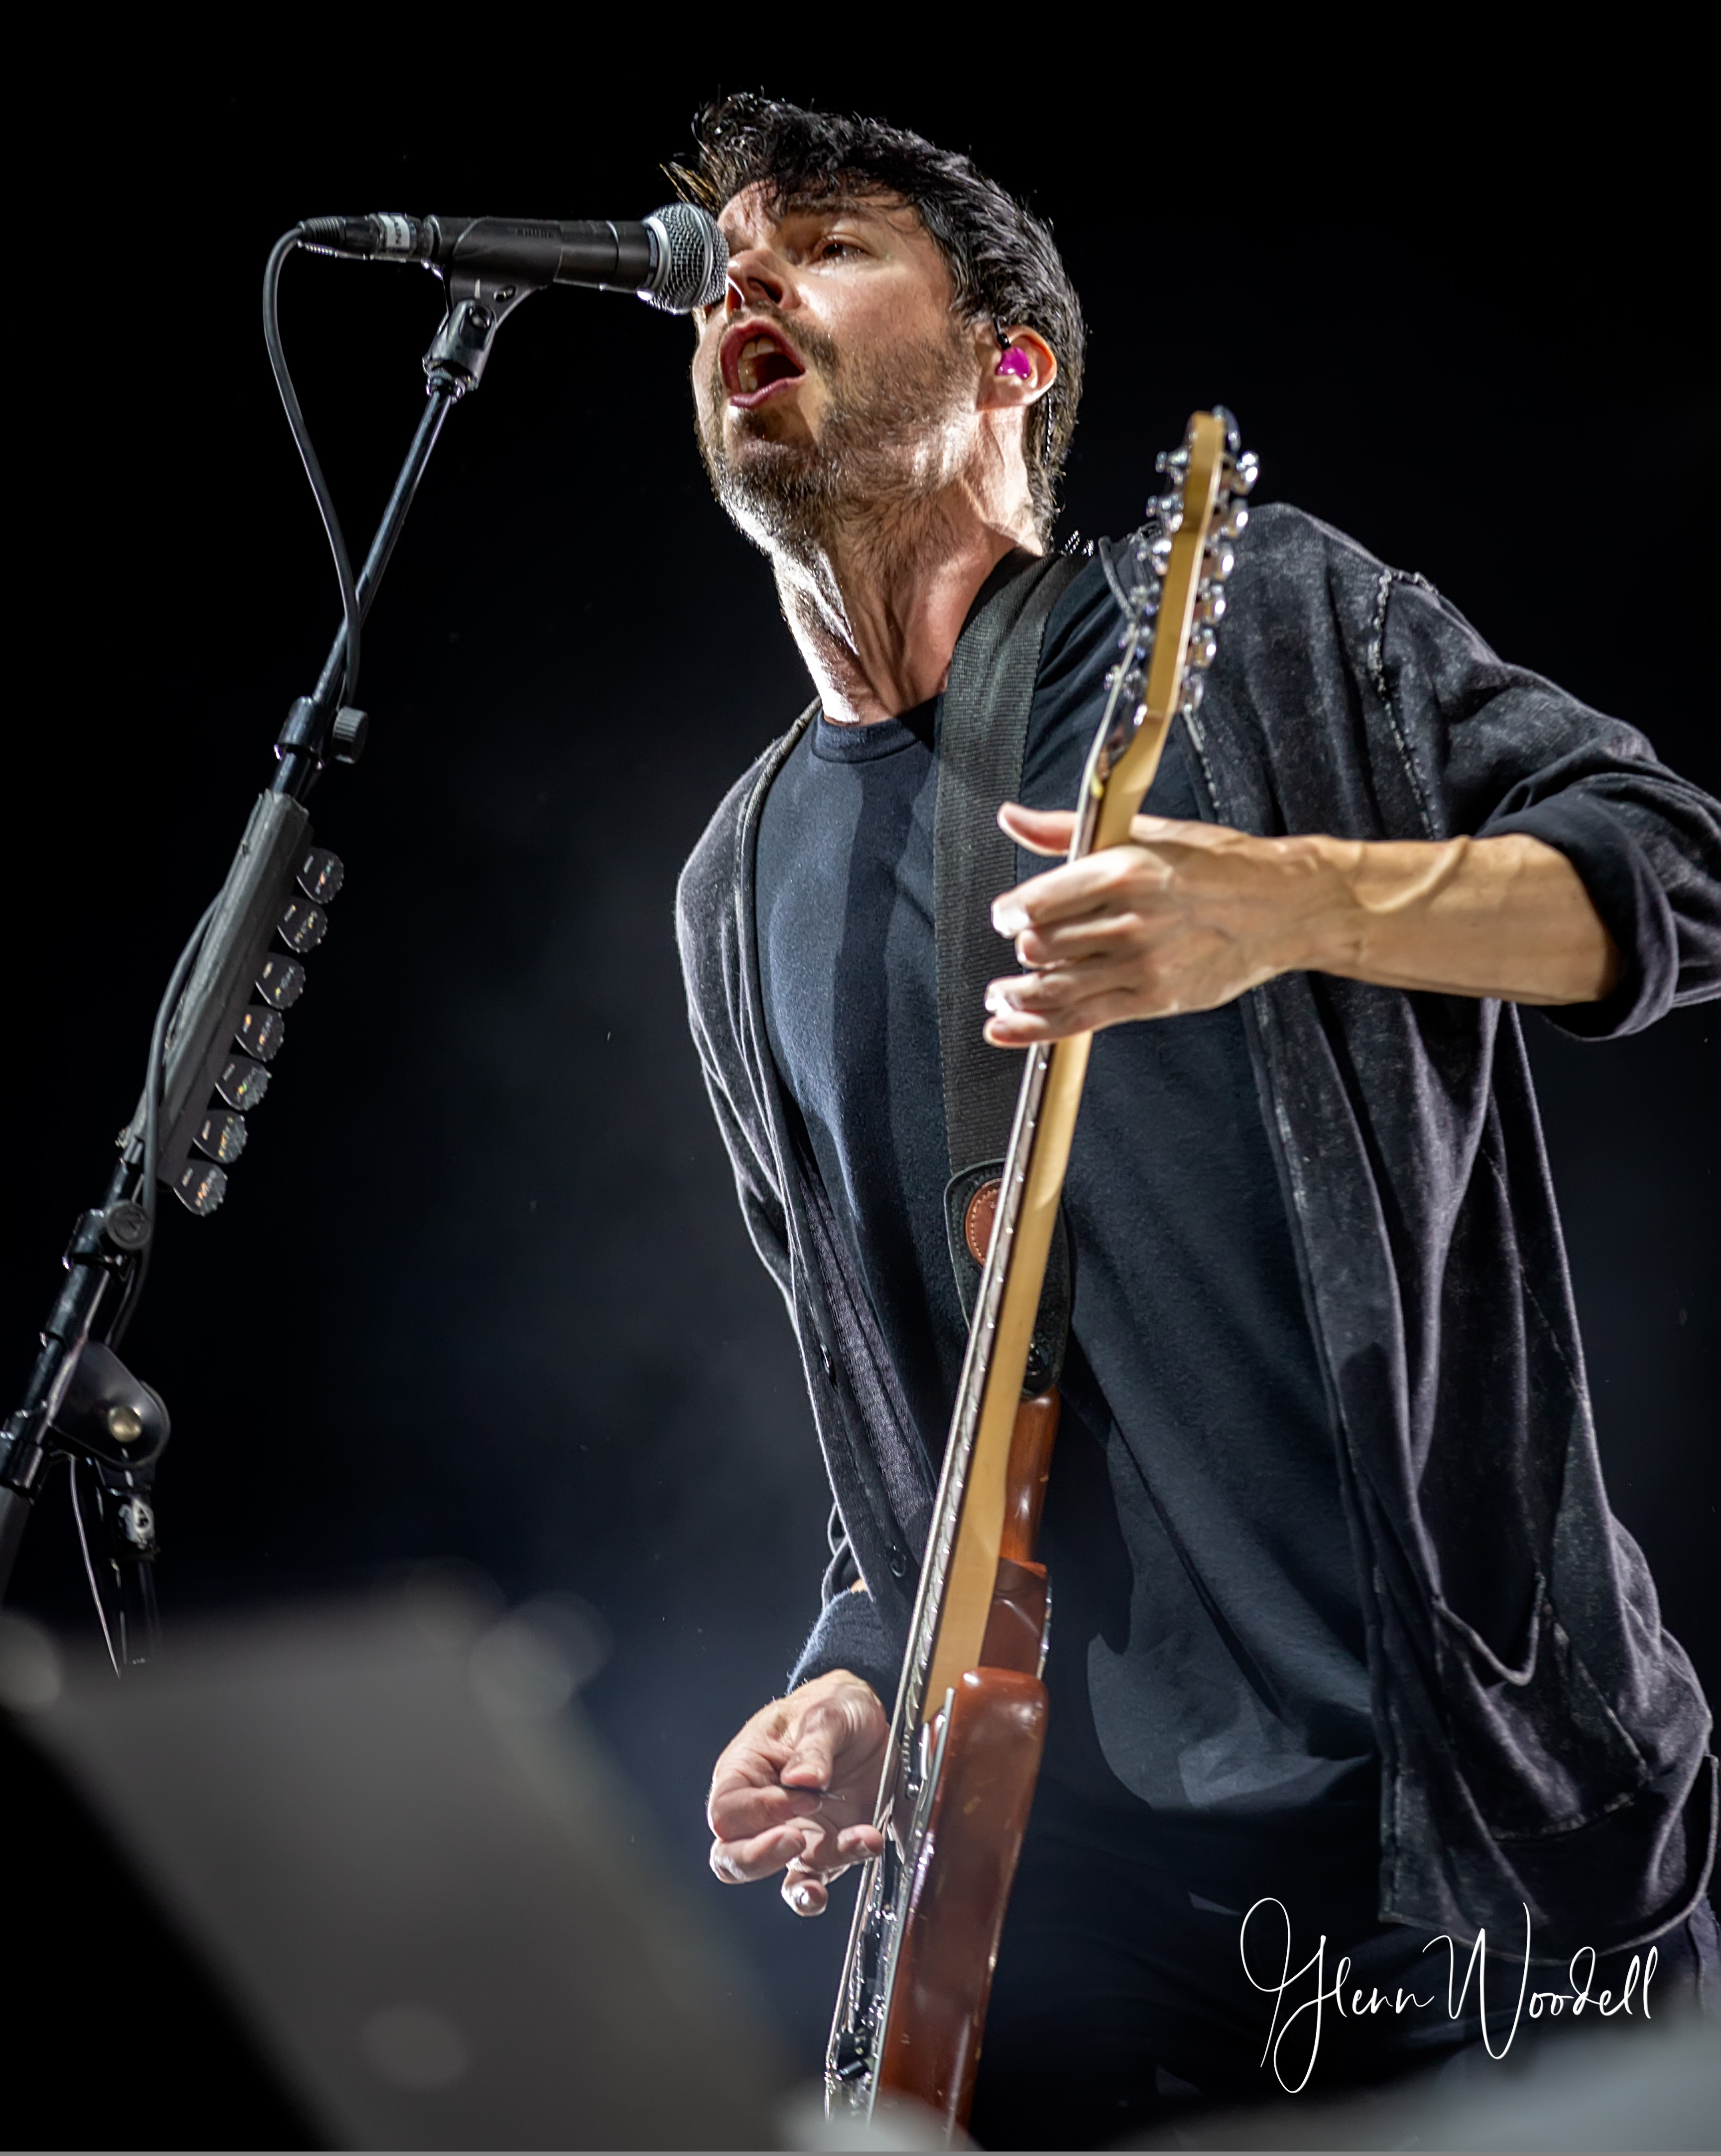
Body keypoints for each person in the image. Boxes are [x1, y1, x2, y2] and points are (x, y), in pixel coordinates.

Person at [670, 95, 1719, 2147]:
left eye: (830, 244)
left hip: (1454, 1832)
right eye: (719, 267)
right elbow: (909, 1409)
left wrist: (1298, 899)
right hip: (1055, 1893)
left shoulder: (1257, 627)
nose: (742, 285)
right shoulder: (736, 886)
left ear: (1012, 362)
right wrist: (856, 1669)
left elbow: (1677, 865)